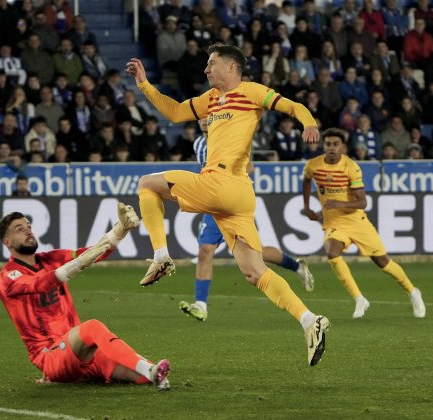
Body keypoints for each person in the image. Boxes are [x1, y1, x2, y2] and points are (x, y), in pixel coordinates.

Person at [126, 44, 330, 366]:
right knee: (254, 271)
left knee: (146, 184)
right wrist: (144, 85)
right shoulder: (210, 100)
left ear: (232, 67)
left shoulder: (250, 91)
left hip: (220, 183)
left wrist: (309, 123)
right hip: (238, 195)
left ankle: (161, 256)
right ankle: (309, 320)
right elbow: (175, 112)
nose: (206, 70)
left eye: (211, 63)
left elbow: (293, 106)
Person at [0, 204, 170, 389]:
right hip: (51, 357)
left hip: (82, 351)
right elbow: (40, 284)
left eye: (28, 226)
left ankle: (152, 373)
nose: (28, 231)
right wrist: (78, 264)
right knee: (92, 327)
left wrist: (120, 229)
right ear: (8, 242)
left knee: (137, 374)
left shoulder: (51, 258)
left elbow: (91, 253)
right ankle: (150, 369)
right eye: (19, 229)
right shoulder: (8, 276)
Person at [179, 117, 315, 322]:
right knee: (205, 251)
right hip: (213, 205)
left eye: (209, 116)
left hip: (234, 203)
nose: (205, 121)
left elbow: (249, 167)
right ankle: (201, 304)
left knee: (256, 254)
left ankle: (296, 266)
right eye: (201, 117)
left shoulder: (228, 140)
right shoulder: (198, 143)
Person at [302, 128, 426, 319]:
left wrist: (338, 203)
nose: (332, 148)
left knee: (383, 262)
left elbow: (362, 202)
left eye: (336, 144)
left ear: (343, 147)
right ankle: (359, 299)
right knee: (332, 252)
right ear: (323, 145)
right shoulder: (313, 165)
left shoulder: (351, 168)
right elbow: (306, 180)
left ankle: (413, 292)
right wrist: (307, 206)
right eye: (328, 144)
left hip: (357, 222)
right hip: (334, 223)